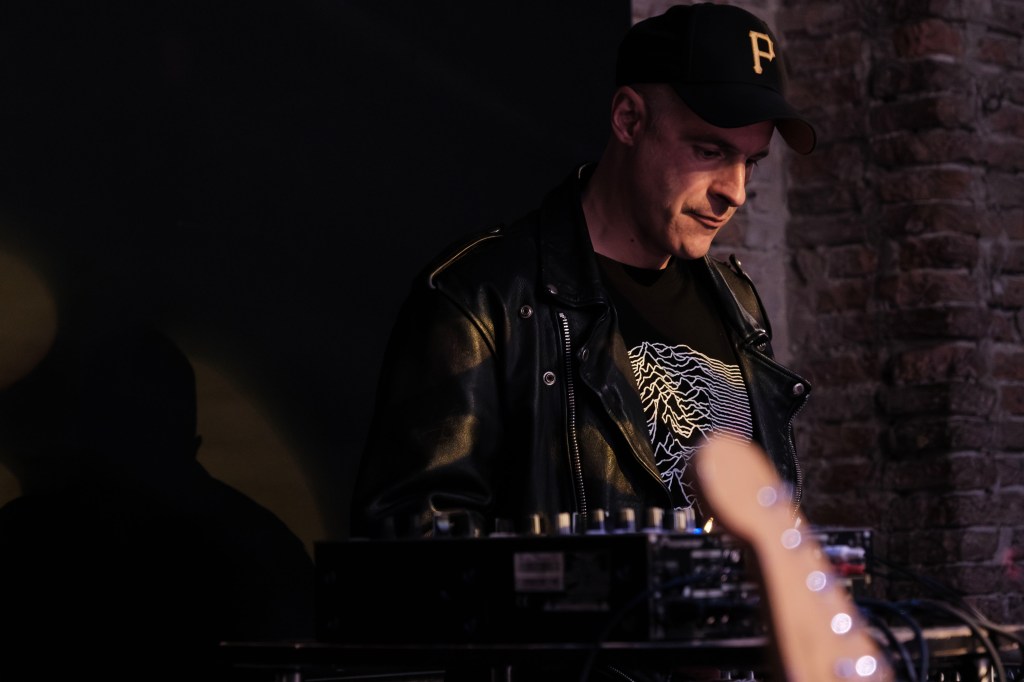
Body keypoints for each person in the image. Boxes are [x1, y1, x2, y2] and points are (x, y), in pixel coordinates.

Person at [349, 3, 816, 679]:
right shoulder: (484, 298)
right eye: (709, 151)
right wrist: (607, 593)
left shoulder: (737, 303)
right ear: (628, 119)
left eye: (752, 161)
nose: (735, 191)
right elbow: (409, 563)